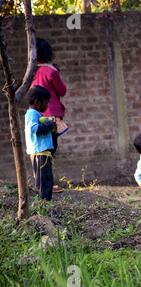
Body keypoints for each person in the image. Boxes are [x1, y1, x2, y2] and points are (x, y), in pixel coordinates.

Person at [31, 38, 67, 193]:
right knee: (50, 150)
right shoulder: (51, 71)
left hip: (36, 115)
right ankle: (46, 185)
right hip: (51, 117)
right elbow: (62, 91)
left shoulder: (31, 72)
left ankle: (41, 183)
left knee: (40, 150)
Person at [25, 86, 56, 201]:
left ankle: (46, 204)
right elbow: (33, 129)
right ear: (37, 102)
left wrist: (53, 130)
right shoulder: (32, 113)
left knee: (47, 180)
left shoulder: (36, 114)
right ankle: (43, 206)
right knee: (43, 183)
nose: (47, 106)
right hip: (39, 154)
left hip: (43, 154)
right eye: (46, 103)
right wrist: (49, 124)